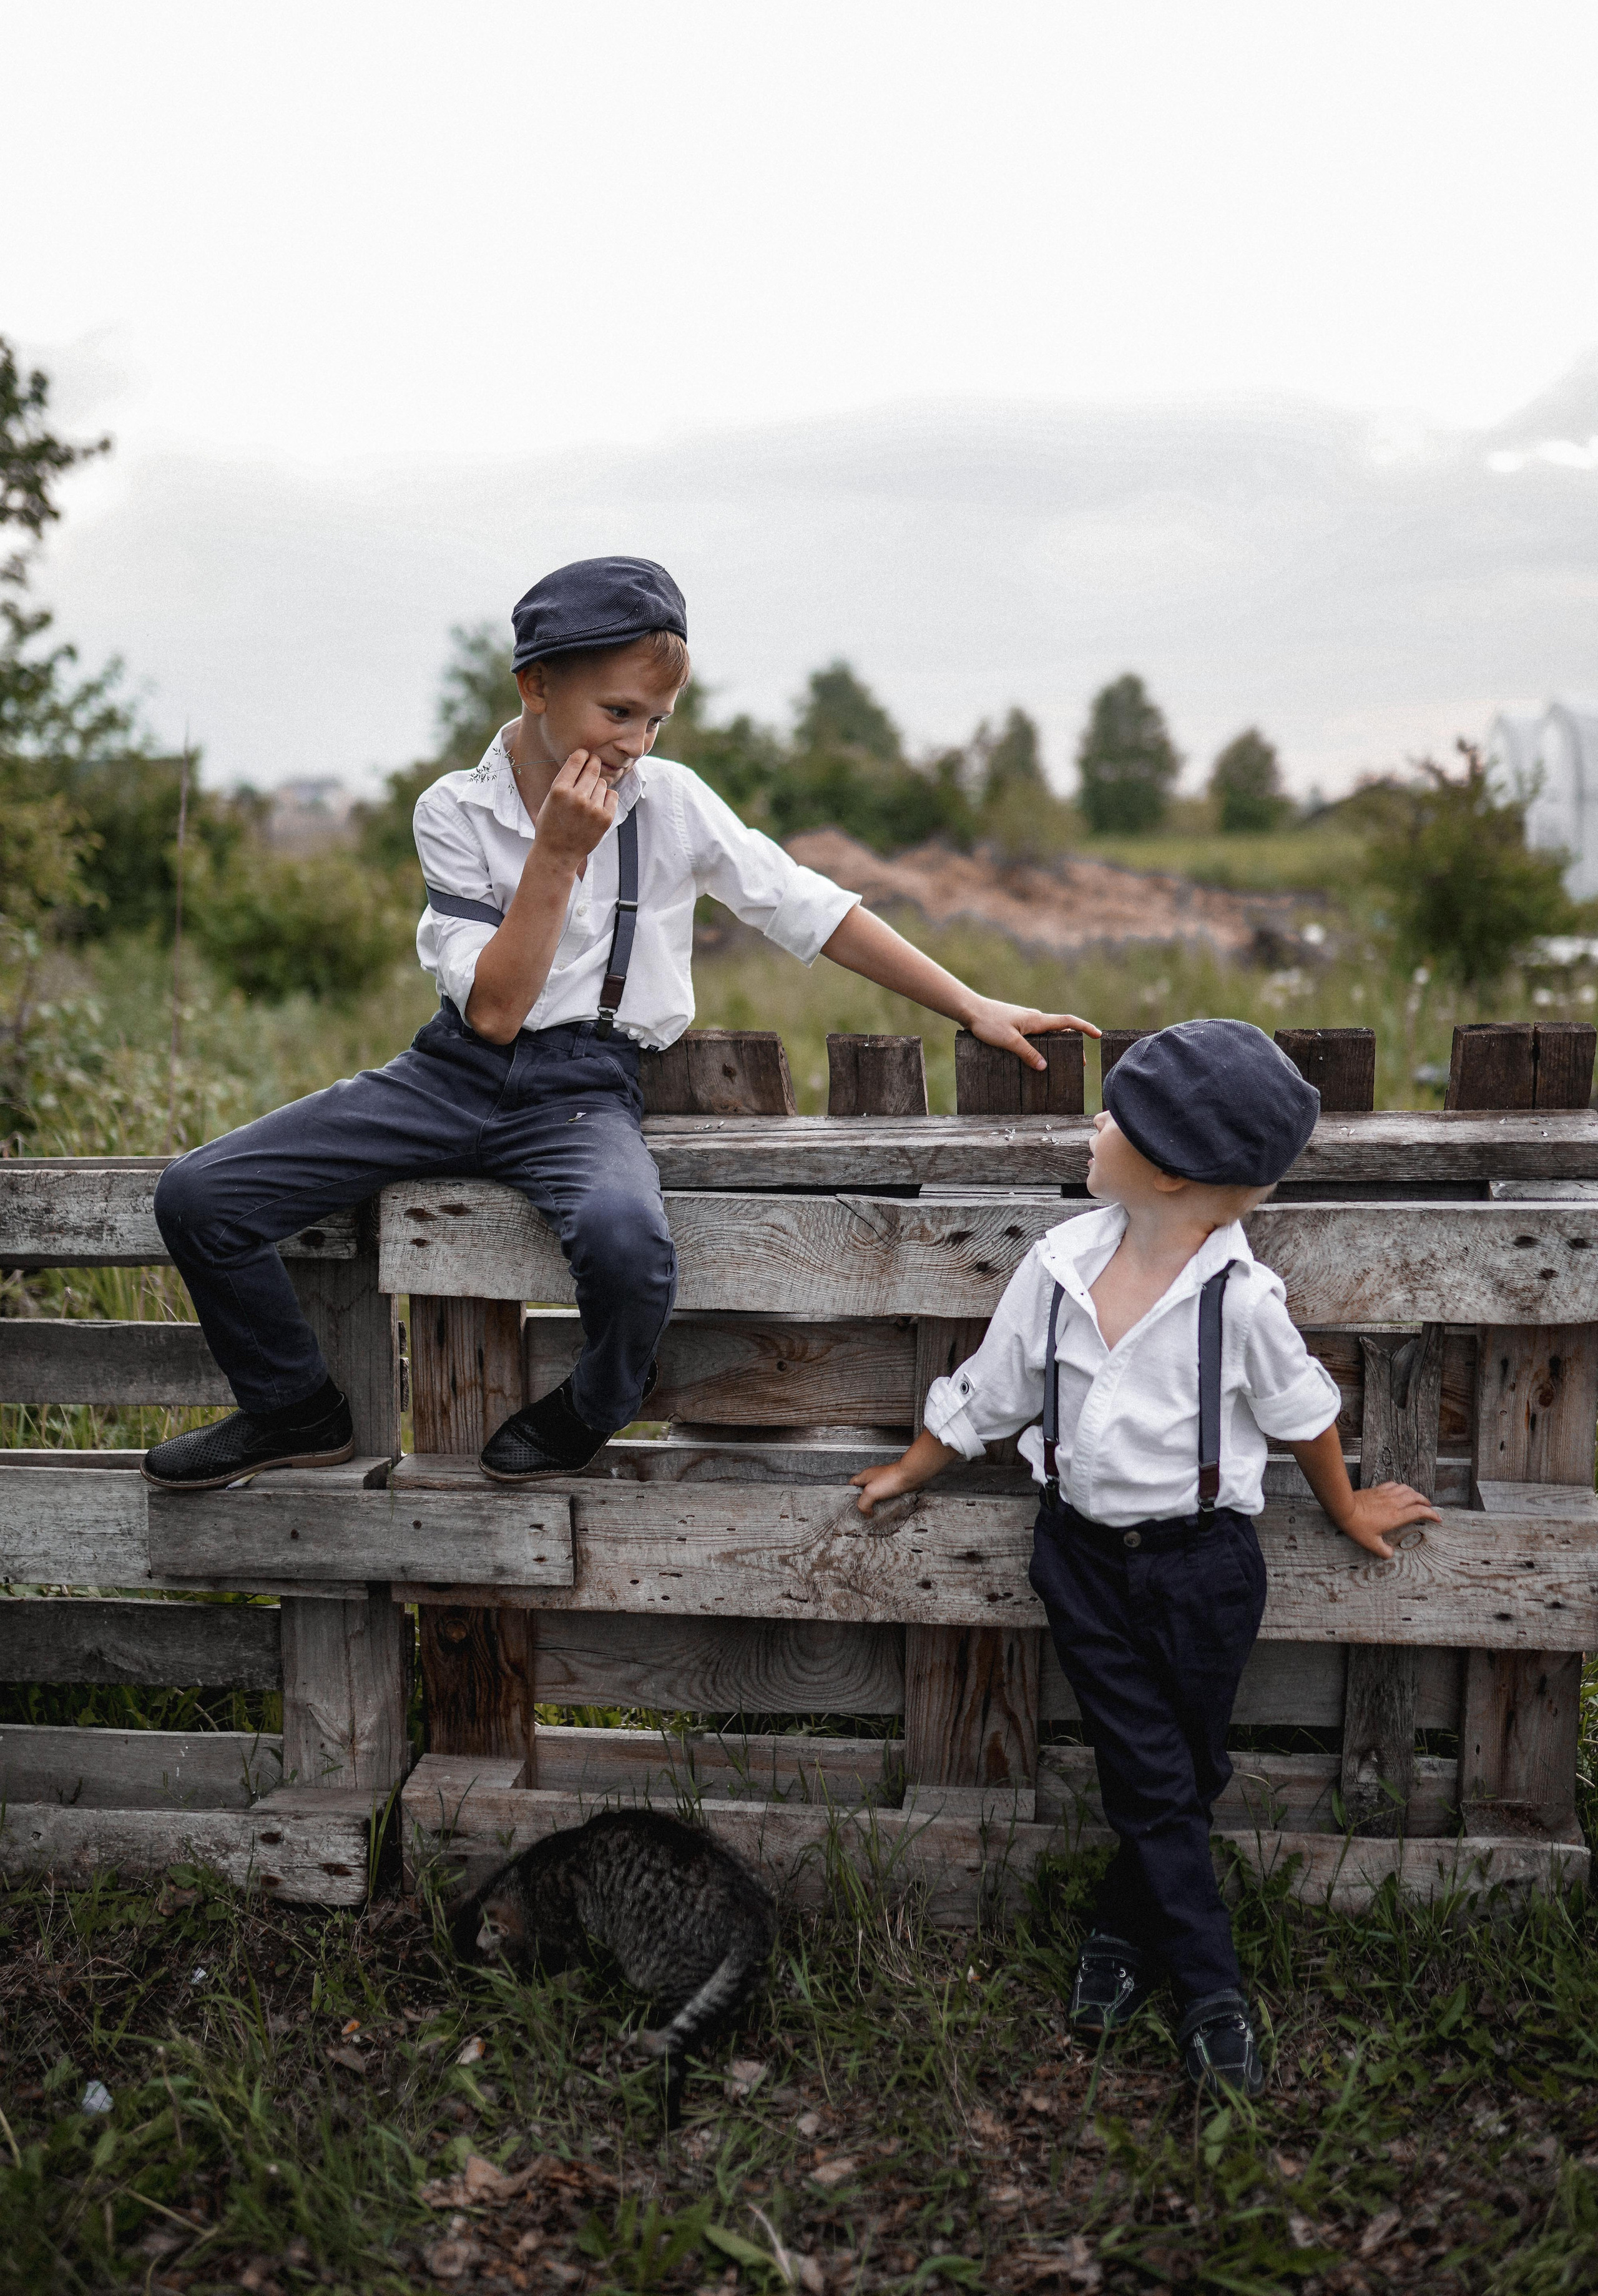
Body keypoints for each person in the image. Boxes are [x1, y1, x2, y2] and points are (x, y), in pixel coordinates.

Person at [144, 554, 1096, 1493]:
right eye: (617, 713)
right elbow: (495, 1011)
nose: (637, 743)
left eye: (655, 720)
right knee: (200, 1196)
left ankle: (598, 1400)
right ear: (536, 686)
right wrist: (556, 853)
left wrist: (972, 1003)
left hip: (583, 1089)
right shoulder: (455, 810)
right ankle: (294, 1408)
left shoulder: (670, 802)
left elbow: (807, 908)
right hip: (450, 1074)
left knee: (627, 1246)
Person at [851, 1018, 1440, 2095]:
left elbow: (1303, 1410)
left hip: (1206, 1568)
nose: (1094, 1123)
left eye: (1114, 1117)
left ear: (1169, 1171)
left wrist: (1347, 1506)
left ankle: (1123, 1935)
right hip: (1077, 1559)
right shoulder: (1060, 1266)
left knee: (1183, 1770)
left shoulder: (1243, 1300)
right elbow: (996, 1385)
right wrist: (914, 1467)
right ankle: (1213, 1989)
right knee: (1161, 1773)